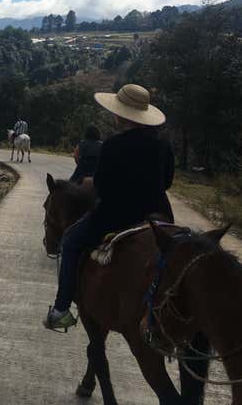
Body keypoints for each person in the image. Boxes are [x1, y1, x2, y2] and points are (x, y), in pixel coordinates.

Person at [44, 84, 174, 330]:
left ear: (121, 114)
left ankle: (61, 309)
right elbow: (167, 181)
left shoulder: (113, 145)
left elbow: (102, 188)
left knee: (70, 241)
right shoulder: (163, 145)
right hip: (160, 215)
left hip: (116, 216)